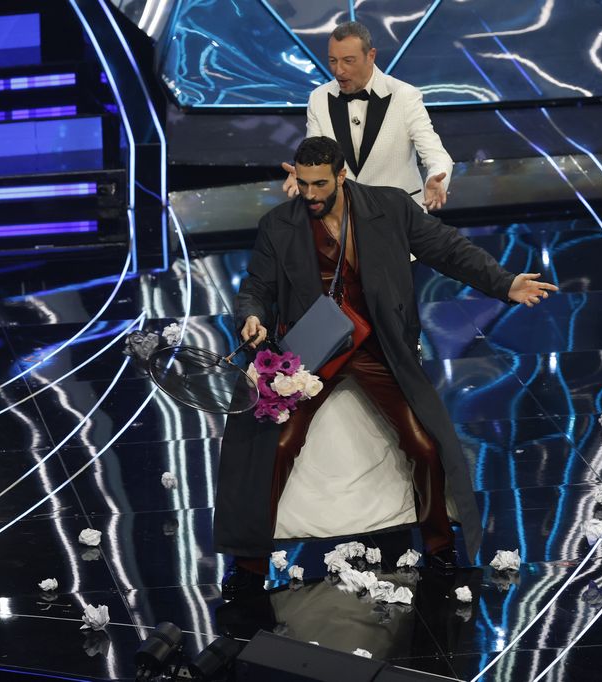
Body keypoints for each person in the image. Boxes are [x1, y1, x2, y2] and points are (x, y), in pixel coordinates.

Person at [215, 137, 557, 596]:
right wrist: (252, 317)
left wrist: (504, 283)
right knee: (275, 446)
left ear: (341, 176)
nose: (310, 194)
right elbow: (256, 286)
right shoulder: (279, 225)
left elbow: (448, 249)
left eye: (320, 184)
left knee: (424, 445)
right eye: (304, 183)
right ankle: (249, 565)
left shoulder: (390, 207)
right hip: (312, 350)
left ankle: (440, 548)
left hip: (379, 345)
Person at [281, 21, 452, 212]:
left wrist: (435, 178)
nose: (338, 70)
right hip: (345, 216)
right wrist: (303, 173)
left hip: (400, 214)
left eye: (348, 61)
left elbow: (436, 154)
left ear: (371, 56)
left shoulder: (404, 95)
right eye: (333, 61)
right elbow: (314, 155)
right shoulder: (318, 98)